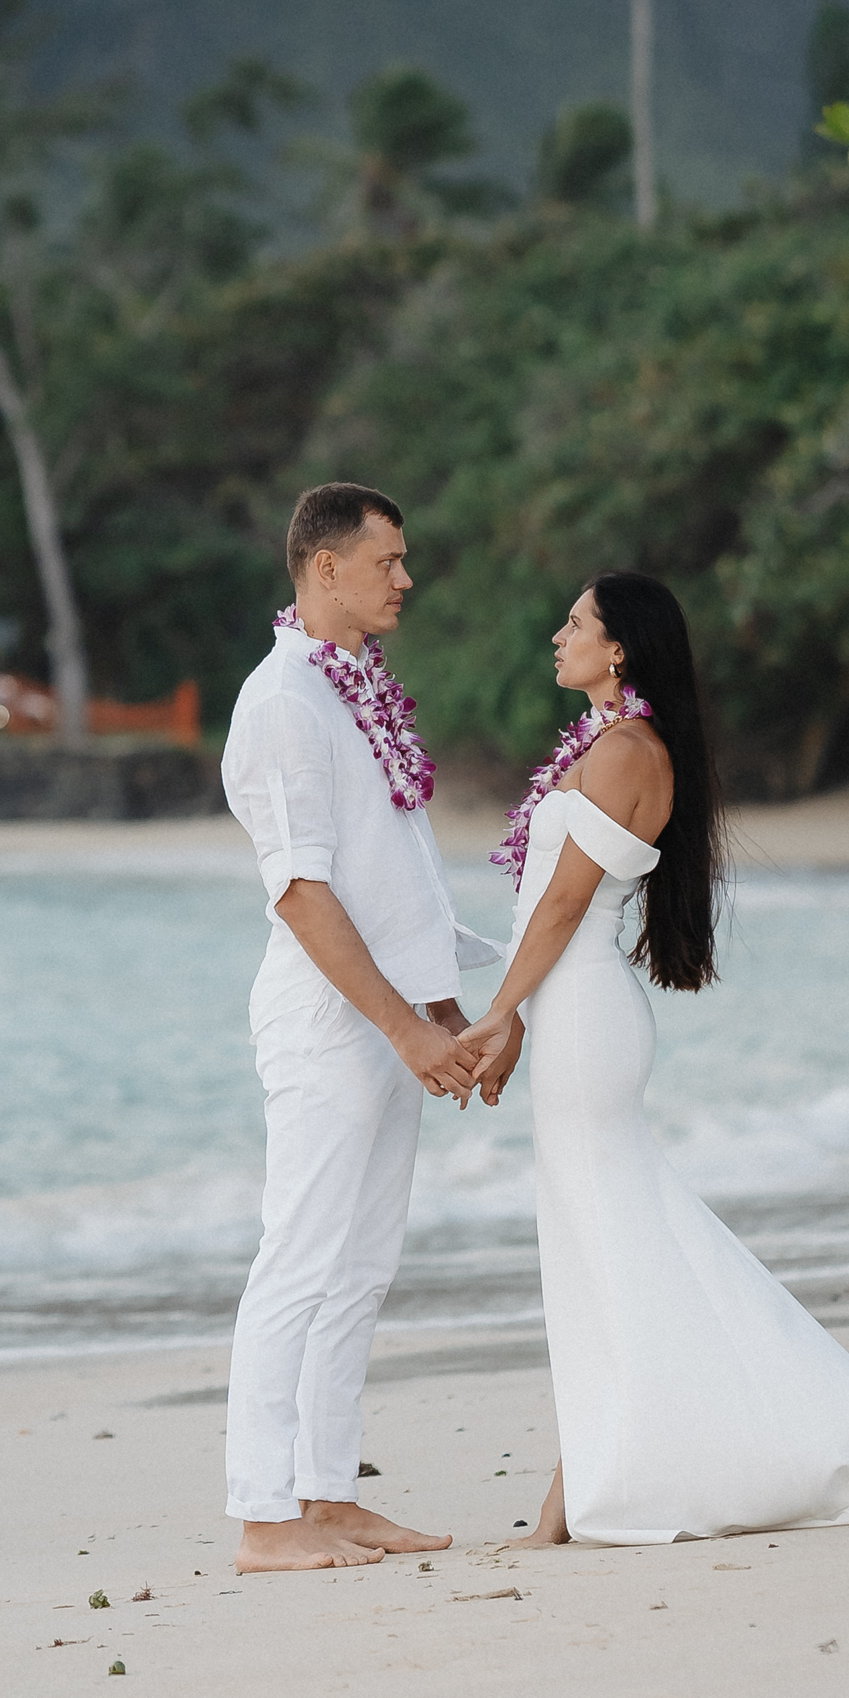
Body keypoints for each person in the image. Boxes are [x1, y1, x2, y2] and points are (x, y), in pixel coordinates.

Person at [446, 570, 849, 1548]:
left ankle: (586, 1500)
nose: (556, 634)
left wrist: (498, 1011)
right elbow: (550, 911)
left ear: (618, 648)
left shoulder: (625, 750)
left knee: (612, 1251)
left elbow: (565, 905)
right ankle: (574, 1499)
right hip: (571, 1010)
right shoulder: (617, 742)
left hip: (583, 1017)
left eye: (574, 621)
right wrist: (516, 1015)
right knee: (605, 1252)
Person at [219, 480, 495, 1574]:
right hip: (327, 1025)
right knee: (298, 1255)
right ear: (322, 567)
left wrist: (445, 1013)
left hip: (386, 1018)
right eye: (387, 558)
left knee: (362, 1263)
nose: (405, 577)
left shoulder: (356, 687)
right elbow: (301, 891)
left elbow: (396, 881)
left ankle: (326, 1490)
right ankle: (260, 1511)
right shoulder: (282, 698)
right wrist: (401, 1029)